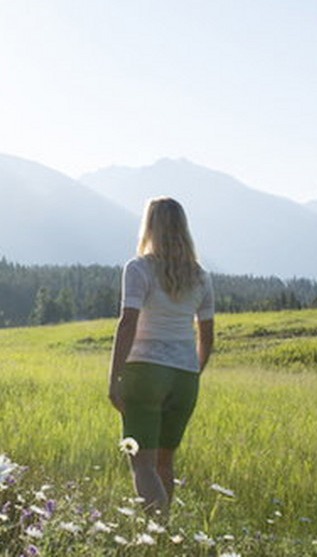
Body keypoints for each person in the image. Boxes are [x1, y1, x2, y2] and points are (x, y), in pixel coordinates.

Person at [107, 197, 214, 515]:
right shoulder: (201, 276)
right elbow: (206, 337)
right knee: (165, 464)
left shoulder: (138, 268)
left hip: (145, 372)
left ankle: (158, 538)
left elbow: (128, 323)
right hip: (185, 377)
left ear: (150, 226)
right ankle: (165, 535)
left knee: (143, 465)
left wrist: (115, 378)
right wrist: (192, 372)